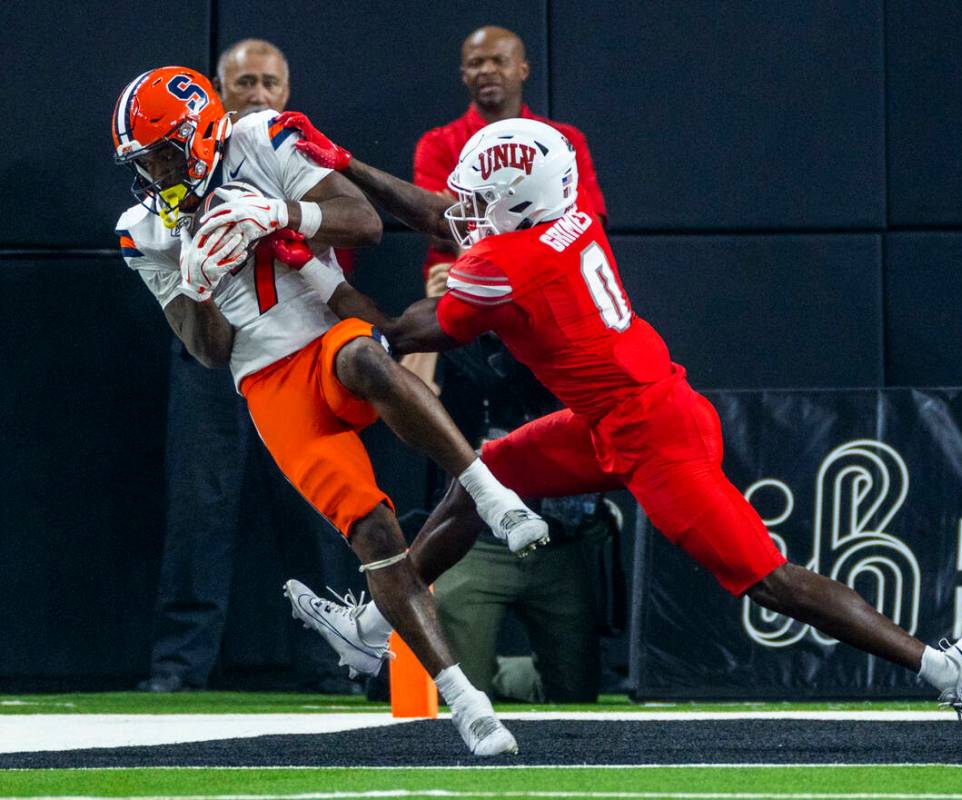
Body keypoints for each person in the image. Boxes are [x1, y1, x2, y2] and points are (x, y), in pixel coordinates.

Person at [272, 111, 962, 753]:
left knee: (771, 581)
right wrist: (346, 166)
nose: (465, 206)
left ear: (513, 201)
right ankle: (376, 623)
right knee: (485, 475)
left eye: (481, 197)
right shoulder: (564, 220)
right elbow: (447, 216)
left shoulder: (506, 264)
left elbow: (402, 331)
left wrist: (316, 277)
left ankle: (947, 667)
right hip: (627, 412)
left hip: (653, 438)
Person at [112, 65, 550, 756]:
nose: (155, 174)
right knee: (374, 531)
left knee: (367, 359)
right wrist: (195, 286)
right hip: (267, 379)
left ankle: (490, 493)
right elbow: (210, 351)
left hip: (325, 334)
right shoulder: (145, 228)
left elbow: (366, 223)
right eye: (144, 162)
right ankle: (469, 705)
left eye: (164, 153)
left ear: (198, 135)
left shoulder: (260, 139)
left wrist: (282, 213)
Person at [396, 25, 613, 701]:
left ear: (523, 67)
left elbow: (580, 223)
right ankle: (436, 569)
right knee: (434, 390)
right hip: (477, 293)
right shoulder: (440, 144)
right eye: (474, 63)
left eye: (497, 60)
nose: (486, 71)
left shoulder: (564, 140)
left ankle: (567, 543)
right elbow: (445, 240)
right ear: (463, 75)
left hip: (537, 291)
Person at [138, 39, 361, 696]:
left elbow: (347, 239)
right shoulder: (172, 169)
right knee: (199, 511)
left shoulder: (295, 153)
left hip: (294, 354)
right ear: (215, 91)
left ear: (285, 92)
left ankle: (334, 664)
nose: (258, 96)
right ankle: (179, 670)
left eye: (269, 83)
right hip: (214, 361)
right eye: (244, 84)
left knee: (320, 509)